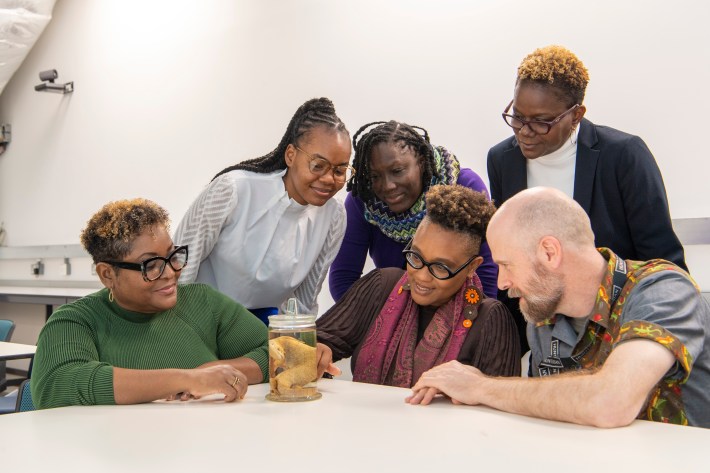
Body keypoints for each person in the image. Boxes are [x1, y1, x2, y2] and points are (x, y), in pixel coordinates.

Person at [408, 187, 710, 429]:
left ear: (549, 252)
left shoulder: (662, 290)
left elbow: (611, 403)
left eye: (506, 264)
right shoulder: (542, 314)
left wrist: (480, 387)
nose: (501, 282)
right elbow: (545, 415)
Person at [486, 45, 687, 352]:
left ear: (576, 114)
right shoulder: (503, 160)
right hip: (542, 332)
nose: (524, 132)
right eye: (516, 117)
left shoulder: (623, 156)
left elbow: (664, 264)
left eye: (541, 122)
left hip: (623, 326)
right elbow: (511, 254)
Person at [31, 198, 269, 408]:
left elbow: (280, 353)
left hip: (199, 445)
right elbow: (59, 383)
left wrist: (211, 373)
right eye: (151, 265)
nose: (170, 273)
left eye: (172, 256)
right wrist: (185, 380)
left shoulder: (203, 302)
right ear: (107, 275)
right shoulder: (75, 321)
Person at [318, 184, 520, 387]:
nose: (422, 276)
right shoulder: (381, 286)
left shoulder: (490, 320)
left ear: (471, 267)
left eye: (441, 267)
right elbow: (318, 340)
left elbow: (502, 403)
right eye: (416, 256)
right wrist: (317, 350)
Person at [174, 97, 352, 323]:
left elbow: (305, 301)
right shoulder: (233, 190)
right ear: (290, 155)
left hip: (263, 329)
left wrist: (294, 347)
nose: (328, 179)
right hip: (199, 318)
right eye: (318, 165)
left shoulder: (334, 216)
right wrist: (176, 331)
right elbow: (179, 265)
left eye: (339, 171)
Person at [328, 121, 499, 303]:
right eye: (375, 176)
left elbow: (486, 277)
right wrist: (384, 322)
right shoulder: (364, 199)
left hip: (459, 316)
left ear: (422, 162)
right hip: (389, 315)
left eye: (397, 171)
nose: (388, 186)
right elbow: (343, 280)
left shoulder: (464, 186)